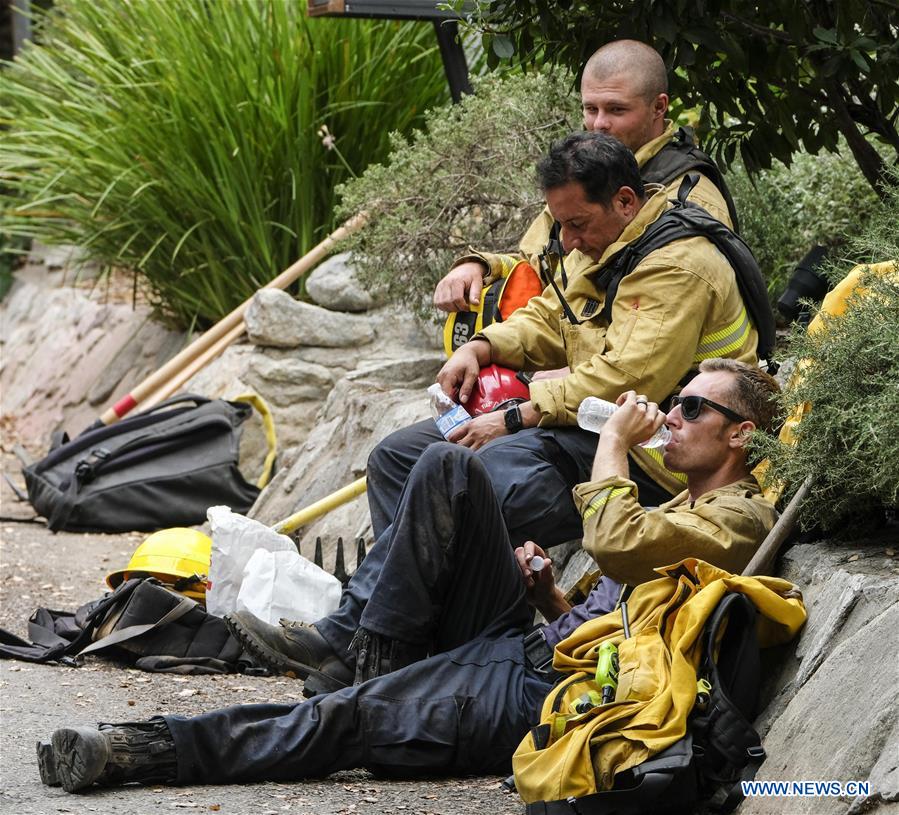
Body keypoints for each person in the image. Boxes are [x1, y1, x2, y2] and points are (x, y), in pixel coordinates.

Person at [37, 359, 780, 794]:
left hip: (549, 692)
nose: (671, 416)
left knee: (344, 720)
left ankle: (138, 748)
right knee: (444, 462)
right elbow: (612, 603)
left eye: (690, 406)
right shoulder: (687, 501)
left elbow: (617, 540)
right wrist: (549, 594)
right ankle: (369, 650)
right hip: (536, 644)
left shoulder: (740, 519)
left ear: (740, 433)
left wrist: (611, 441)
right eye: (674, 401)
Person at [368, 131, 759, 563]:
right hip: (588, 416)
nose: (568, 241)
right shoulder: (602, 240)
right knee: (395, 458)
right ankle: (392, 609)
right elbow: (550, 318)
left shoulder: (678, 266)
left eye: (577, 224)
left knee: (489, 476)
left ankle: (385, 618)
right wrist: (479, 347)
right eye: (562, 225)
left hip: (660, 448)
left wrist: (515, 417)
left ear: (626, 202)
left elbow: (625, 377)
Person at [433, 38, 738, 315]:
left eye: (616, 110)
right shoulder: (585, 173)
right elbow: (539, 265)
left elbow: (653, 326)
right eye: (591, 109)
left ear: (658, 106)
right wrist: (482, 267)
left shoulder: (690, 201)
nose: (599, 124)